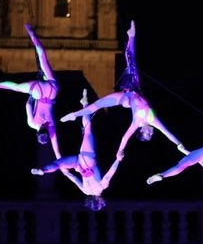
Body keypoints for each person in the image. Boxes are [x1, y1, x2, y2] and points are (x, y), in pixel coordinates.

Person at [59, 20, 187, 157]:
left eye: (148, 134)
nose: (151, 133)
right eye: (151, 135)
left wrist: (120, 151)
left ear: (141, 131)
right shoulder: (153, 121)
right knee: (132, 61)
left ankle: (74, 115)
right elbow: (168, 133)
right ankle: (131, 36)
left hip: (126, 98)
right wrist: (179, 145)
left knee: (98, 104)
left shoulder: (136, 123)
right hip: (135, 88)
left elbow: (125, 138)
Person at [33, 91, 124, 210]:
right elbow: (75, 180)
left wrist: (118, 160)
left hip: (88, 158)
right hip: (78, 165)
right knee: (58, 163)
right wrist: (67, 173)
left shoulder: (101, 187)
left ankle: (85, 104)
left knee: (88, 128)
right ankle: (43, 170)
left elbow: (109, 175)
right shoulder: (85, 191)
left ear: (99, 201)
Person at [0, 23, 61, 157]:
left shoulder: (51, 128)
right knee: (16, 87)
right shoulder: (32, 124)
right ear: (37, 133)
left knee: (43, 58)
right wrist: (32, 93)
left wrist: (59, 158)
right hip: (39, 92)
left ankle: (33, 35)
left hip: (52, 92)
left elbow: (56, 147)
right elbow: (28, 105)